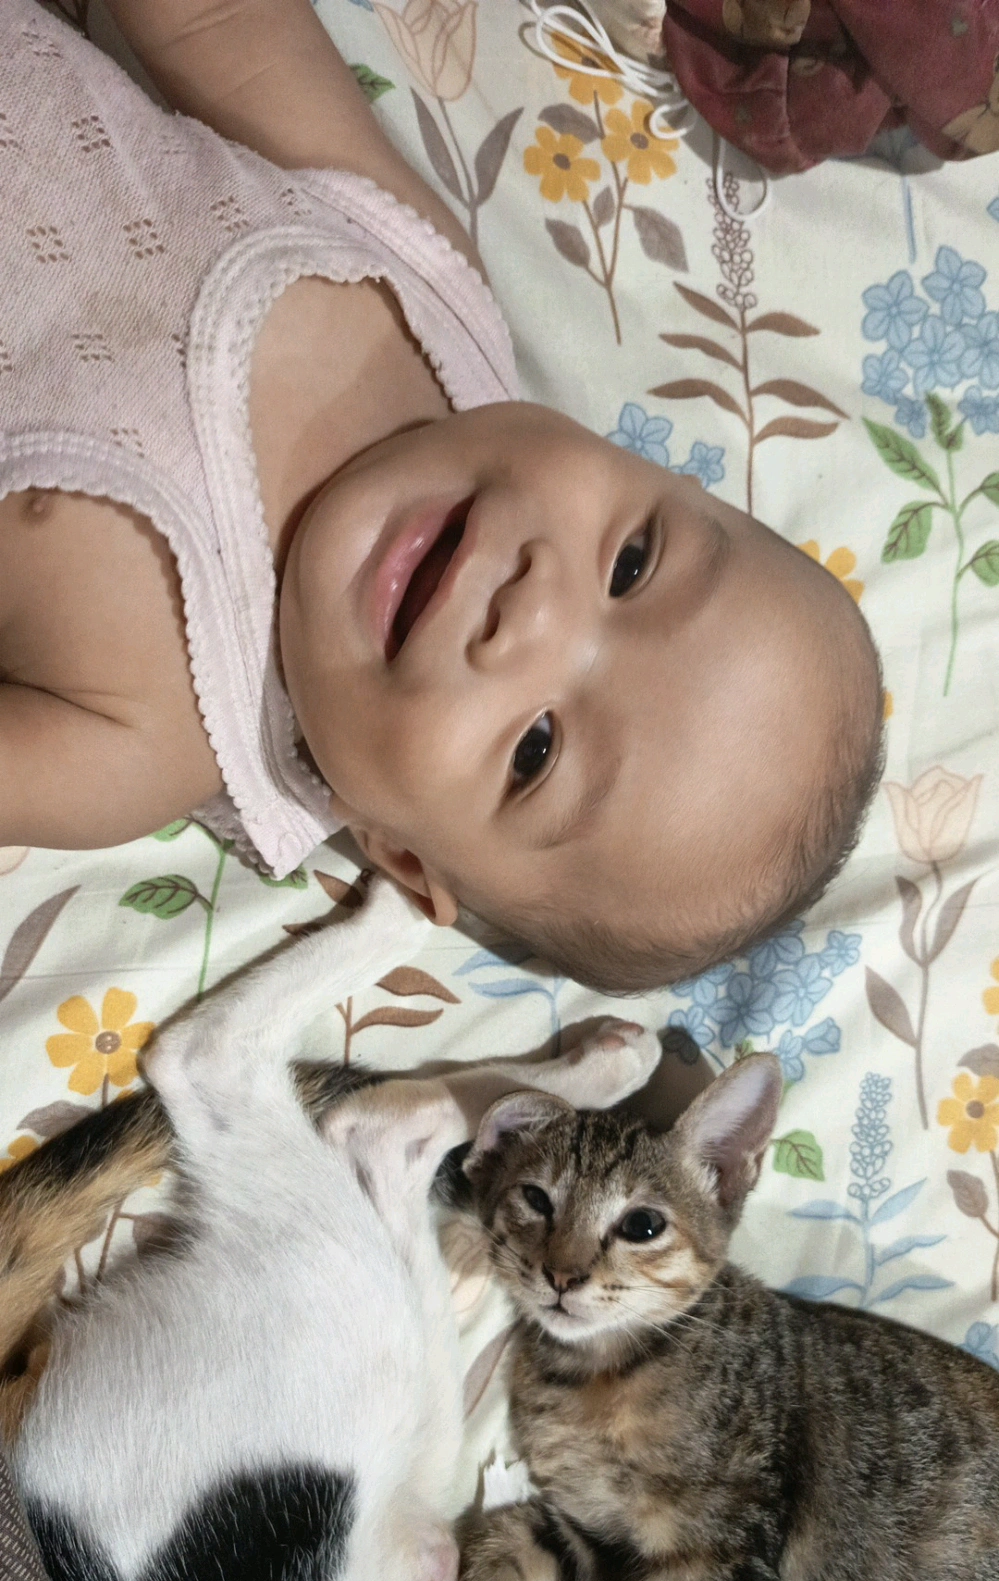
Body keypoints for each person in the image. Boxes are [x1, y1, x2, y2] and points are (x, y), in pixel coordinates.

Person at [0, 0, 883, 990]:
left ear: (403, 856)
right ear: (656, 472)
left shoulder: (146, 740)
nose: (529, 615)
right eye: (632, 564)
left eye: (535, 752)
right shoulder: (418, 277)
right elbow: (218, 25)